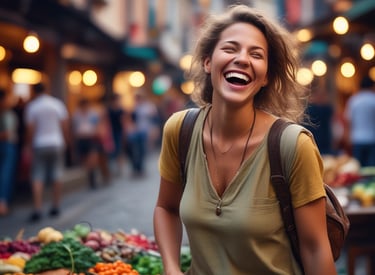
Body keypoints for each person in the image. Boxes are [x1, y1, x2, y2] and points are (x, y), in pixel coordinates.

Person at [153, 5, 336, 275]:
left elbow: (315, 248)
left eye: (256, 54)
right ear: (207, 61)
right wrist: (171, 267)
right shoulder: (180, 131)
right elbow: (166, 208)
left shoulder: (292, 145)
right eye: (230, 48)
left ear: (265, 76)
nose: (242, 59)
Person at [24, 82, 69, 222]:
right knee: (56, 174)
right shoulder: (56, 104)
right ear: (46, 89)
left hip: (39, 143)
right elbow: (65, 125)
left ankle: (38, 208)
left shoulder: (32, 106)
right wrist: (66, 141)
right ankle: (55, 205)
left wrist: (27, 145)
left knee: (38, 176)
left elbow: (30, 129)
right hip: (56, 142)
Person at [344, 75, 375, 167]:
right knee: (372, 169)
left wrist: (347, 138)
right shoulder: (373, 99)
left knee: (357, 168)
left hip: (357, 138)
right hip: (372, 138)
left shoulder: (354, 100)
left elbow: (348, 121)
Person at [72, 98, 102, 188]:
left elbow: (97, 125)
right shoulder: (76, 115)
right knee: (85, 160)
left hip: (91, 138)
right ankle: (89, 177)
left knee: (92, 159)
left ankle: (93, 177)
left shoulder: (93, 114)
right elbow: (74, 128)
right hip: (81, 139)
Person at [0, 89, 18, 216]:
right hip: (6, 145)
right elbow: (7, 133)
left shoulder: (7, 113)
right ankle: (2, 204)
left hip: (8, 145)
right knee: (5, 174)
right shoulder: (5, 114)